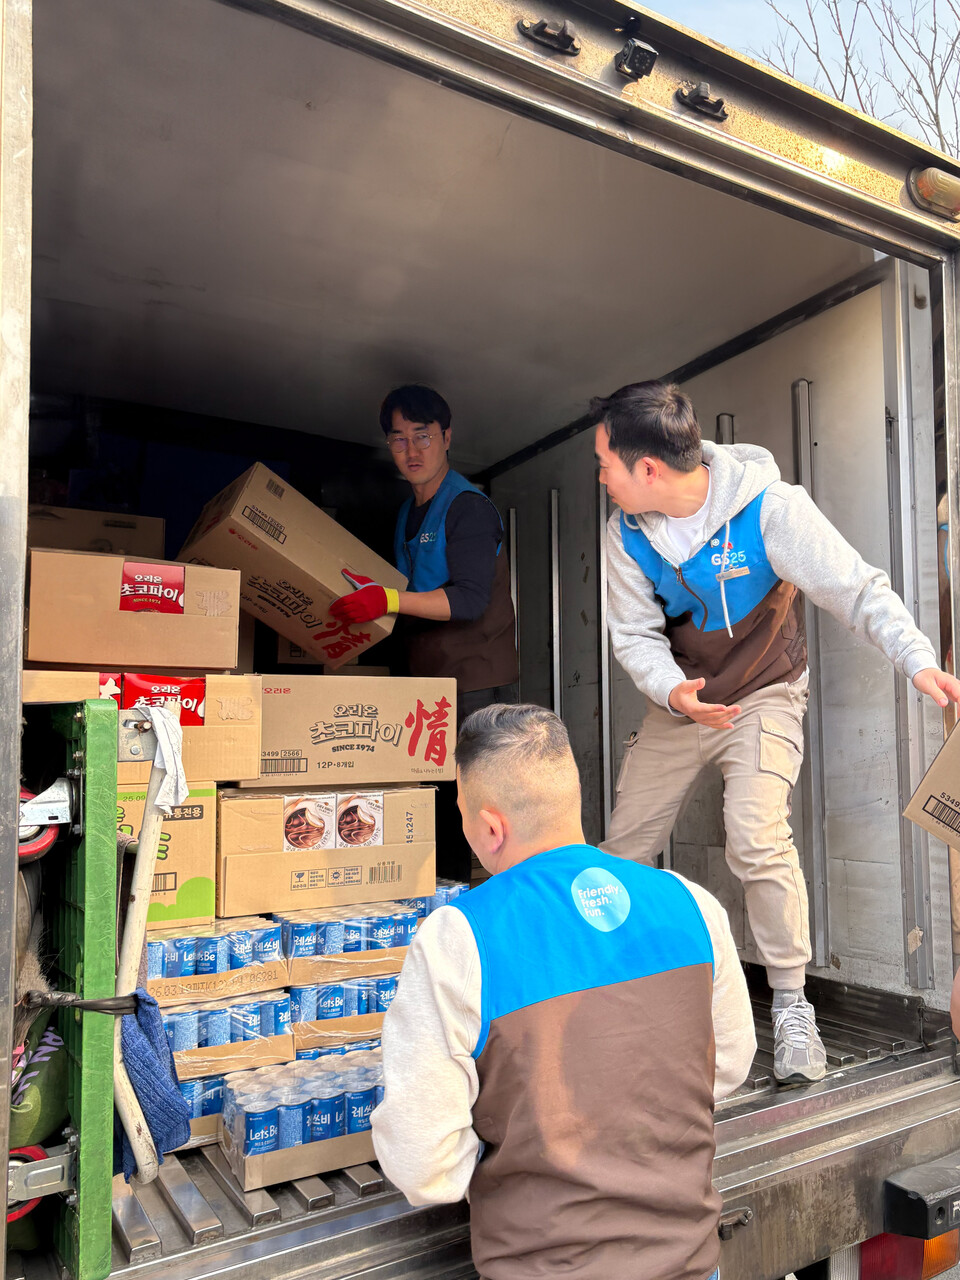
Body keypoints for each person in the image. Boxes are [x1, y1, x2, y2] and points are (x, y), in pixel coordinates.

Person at [593, 379, 960, 1084]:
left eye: (606, 462)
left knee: (757, 832)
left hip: (765, 694)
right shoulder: (626, 536)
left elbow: (855, 588)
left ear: (648, 469)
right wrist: (673, 692)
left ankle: (792, 1006)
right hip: (684, 703)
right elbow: (633, 636)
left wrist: (918, 660)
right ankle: (607, 993)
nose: (601, 477)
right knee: (625, 848)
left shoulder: (769, 510)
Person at [372, 703, 756, 1280]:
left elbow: (425, 1167)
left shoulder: (459, 938)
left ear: (491, 827)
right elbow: (727, 1066)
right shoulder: (690, 903)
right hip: (693, 1264)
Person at [330, 385, 519, 883]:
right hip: (429, 678)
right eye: (399, 440)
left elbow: (470, 598)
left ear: (447, 437)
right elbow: (404, 589)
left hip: (476, 680)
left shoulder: (468, 508)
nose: (412, 452)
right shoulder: (407, 511)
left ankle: (492, 916)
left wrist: (387, 600)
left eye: (423, 437)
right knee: (436, 805)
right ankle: (443, 911)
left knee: (480, 811)